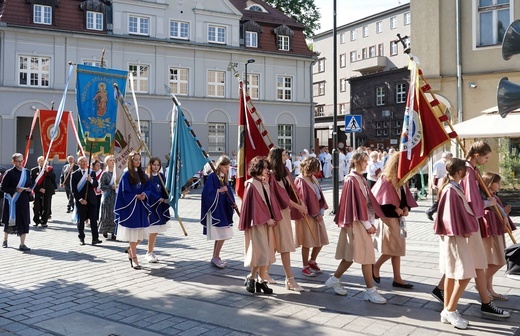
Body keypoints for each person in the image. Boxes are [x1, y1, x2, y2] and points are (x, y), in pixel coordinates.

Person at [325, 150, 387, 304]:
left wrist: (371, 222)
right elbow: (356, 206)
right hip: (356, 223)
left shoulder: (359, 178)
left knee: (351, 256)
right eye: (365, 161)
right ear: (357, 161)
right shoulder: (352, 179)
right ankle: (370, 291)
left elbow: (366, 203)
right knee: (366, 256)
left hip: (360, 222)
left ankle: (334, 279)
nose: (367, 163)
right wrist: (368, 225)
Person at [433, 158, 478, 330]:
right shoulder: (452, 189)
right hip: (455, 236)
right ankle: (450, 310)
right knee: (465, 273)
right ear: (460, 172)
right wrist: (463, 229)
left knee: (451, 273)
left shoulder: (451, 187)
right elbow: (450, 215)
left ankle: (447, 310)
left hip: (453, 236)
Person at [372, 153, 418, 289]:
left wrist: (405, 207)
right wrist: (395, 209)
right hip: (389, 219)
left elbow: (404, 198)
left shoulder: (401, 180)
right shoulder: (385, 179)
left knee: (397, 249)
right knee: (394, 248)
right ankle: (376, 266)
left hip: (398, 218)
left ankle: (397, 278)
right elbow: (379, 201)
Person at [267, 148, 307, 291]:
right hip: (277, 213)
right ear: (277, 157)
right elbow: (282, 197)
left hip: (284, 212)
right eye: (284, 155)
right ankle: (288, 278)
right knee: (281, 244)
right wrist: (299, 206)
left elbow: (293, 190)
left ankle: (263, 273)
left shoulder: (284, 172)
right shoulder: (271, 175)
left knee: (281, 244)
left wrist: (301, 202)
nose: (287, 157)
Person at [238, 156, 279, 294]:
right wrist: (267, 219)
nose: (267, 170)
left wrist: (272, 217)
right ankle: (251, 277)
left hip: (267, 223)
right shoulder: (251, 184)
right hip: (257, 223)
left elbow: (269, 203)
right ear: (258, 169)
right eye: (265, 168)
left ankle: (260, 281)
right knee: (259, 252)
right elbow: (255, 207)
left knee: (266, 252)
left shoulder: (264, 183)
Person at [481, 172, 516, 301]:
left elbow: (496, 211)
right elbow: (483, 212)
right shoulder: (485, 196)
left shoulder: (492, 195)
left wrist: (504, 213)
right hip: (491, 231)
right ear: (490, 183)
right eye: (498, 182)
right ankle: (481, 285)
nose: (500, 185)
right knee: (499, 260)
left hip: (497, 230)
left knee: (493, 261)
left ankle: (489, 289)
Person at [114, 151, 151, 270]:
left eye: (139, 160)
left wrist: (145, 194)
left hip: (141, 207)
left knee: (141, 235)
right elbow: (124, 192)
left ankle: (130, 250)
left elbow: (147, 187)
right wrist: (135, 196)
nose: (138, 162)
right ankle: (134, 258)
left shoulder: (142, 174)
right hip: (131, 207)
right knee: (133, 234)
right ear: (131, 161)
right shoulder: (126, 175)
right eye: (135, 160)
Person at [293, 156, 329, 277]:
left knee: (322, 239)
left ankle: (312, 260)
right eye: (314, 168)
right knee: (307, 242)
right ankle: (305, 266)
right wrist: (315, 214)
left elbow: (319, 196)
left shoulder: (312, 178)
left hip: (317, 213)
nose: (316, 171)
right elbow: (303, 199)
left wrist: (321, 212)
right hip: (307, 215)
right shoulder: (300, 180)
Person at [200, 156, 236, 268]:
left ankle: (215, 256)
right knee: (222, 234)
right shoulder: (212, 177)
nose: (227, 169)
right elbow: (206, 193)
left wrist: (232, 203)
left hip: (223, 209)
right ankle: (215, 256)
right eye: (225, 167)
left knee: (221, 235)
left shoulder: (224, 178)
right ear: (219, 166)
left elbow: (228, 192)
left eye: (228, 167)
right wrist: (219, 191)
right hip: (216, 210)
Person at [1, 153, 32, 251]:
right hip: (12, 200)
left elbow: (30, 184)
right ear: (13, 162)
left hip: (23, 200)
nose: (20, 163)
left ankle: (22, 244)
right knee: (9, 220)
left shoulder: (26, 172)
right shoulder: (9, 173)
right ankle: (5, 240)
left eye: (21, 161)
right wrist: (15, 189)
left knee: (23, 221)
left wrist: (29, 189)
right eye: (18, 161)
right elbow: (2, 187)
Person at [71, 156, 102, 246]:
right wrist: (80, 200)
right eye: (82, 161)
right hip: (81, 201)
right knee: (81, 220)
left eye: (85, 161)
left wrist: (91, 180)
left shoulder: (91, 173)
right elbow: (74, 190)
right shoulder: (75, 174)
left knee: (93, 220)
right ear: (78, 163)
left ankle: (95, 238)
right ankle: (82, 238)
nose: (84, 163)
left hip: (92, 200)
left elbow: (96, 184)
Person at [145, 157, 171, 263]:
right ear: (150, 165)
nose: (156, 167)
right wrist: (159, 199)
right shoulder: (147, 177)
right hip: (151, 207)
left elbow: (165, 189)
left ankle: (150, 252)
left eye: (158, 165)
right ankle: (133, 249)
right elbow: (148, 191)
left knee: (155, 231)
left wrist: (168, 198)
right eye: (154, 165)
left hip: (159, 207)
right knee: (146, 231)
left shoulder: (161, 176)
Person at [31, 156, 57, 228]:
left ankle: (44, 221)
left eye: (43, 161)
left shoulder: (49, 169)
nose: (42, 162)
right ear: (38, 162)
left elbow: (54, 178)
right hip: (38, 191)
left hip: (47, 191)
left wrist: (48, 172)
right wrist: (39, 189)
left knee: (46, 206)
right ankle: (36, 220)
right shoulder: (34, 170)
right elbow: (32, 182)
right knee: (36, 207)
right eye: (40, 161)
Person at [426, 152, 453, 221]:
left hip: (447, 182)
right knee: (441, 198)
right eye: (451, 157)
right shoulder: (438, 164)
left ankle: (433, 211)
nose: (451, 158)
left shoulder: (448, 164)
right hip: (441, 182)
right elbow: (434, 175)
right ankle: (431, 211)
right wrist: (433, 184)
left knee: (443, 199)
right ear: (447, 157)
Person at [98, 155, 117, 240]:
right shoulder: (104, 174)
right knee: (106, 214)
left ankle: (114, 232)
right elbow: (101, 186)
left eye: (113, 160)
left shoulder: (117, 173)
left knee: (114, 214)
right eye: (110, 160)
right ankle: (105, 230)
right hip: (107, 197)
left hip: (115, 196)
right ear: (106, 162)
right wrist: (110, 187)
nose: (112, 162)